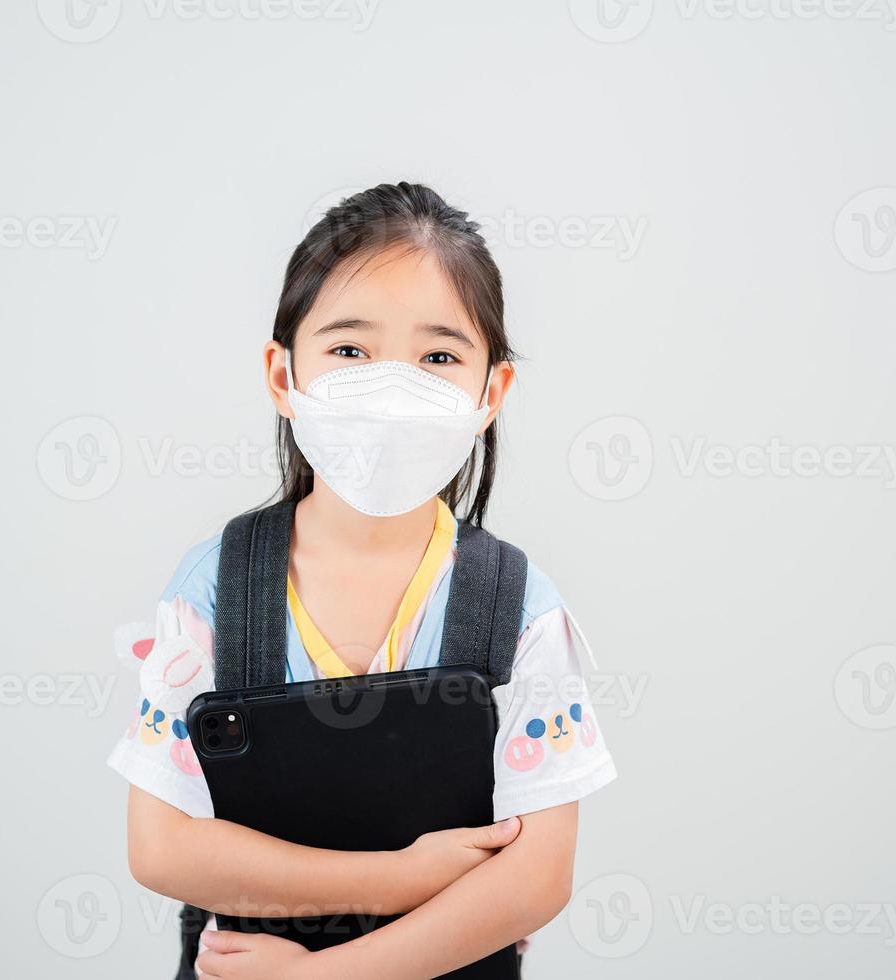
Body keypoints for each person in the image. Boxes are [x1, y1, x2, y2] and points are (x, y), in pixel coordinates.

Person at [108, 182, 617, 979]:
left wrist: (313, 978)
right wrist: (398, 878)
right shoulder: (213, 590)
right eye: (349, 350)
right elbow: (162, 845)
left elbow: (536, 876)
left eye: (439, 357)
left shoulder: (520, 610)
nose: (390, 388)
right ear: (283, 376)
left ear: (492, 393)